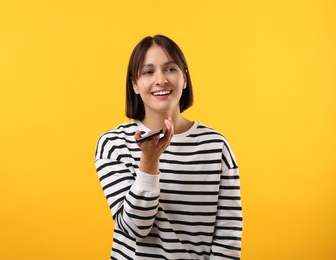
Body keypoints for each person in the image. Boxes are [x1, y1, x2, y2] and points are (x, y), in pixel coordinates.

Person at [95, 35, 243, 260]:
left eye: (170, 69)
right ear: (135, 84)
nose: (161, 80)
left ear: (185, 78)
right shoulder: (114, 144)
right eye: (148, 72)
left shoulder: (216, 146)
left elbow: (228, 234)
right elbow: (135, 227)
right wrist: (149, 161)